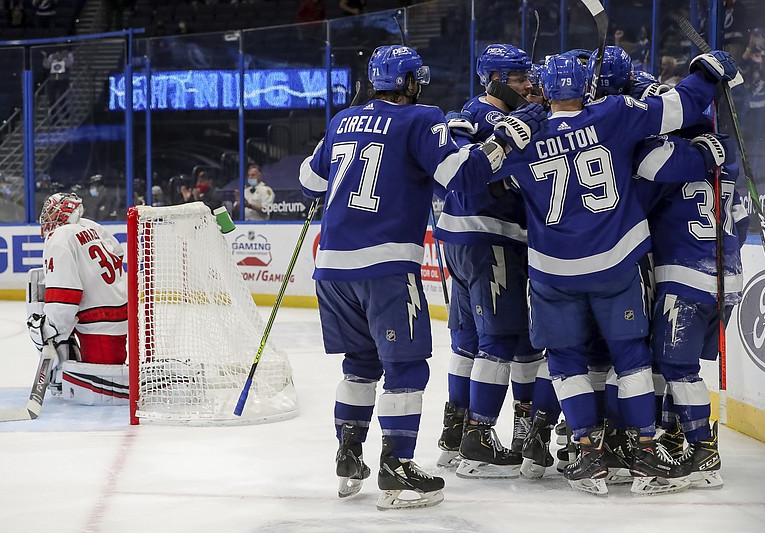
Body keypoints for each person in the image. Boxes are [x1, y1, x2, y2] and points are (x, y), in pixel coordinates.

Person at [298, 44, 541, 509]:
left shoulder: (341, 120)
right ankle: (396, 467)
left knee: (360, 364)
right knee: (405, 368)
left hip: (330, 268)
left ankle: (348, 454)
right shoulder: (422, 117)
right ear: (410, 82)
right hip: (385, 265)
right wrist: (504, 141)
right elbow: (463, 177)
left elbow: (311, 182)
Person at [499, 49, 738, 496]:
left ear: (544, 90)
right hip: (615, 263)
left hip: (553, 272)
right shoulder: (612, 114)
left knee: (566, 361)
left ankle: (583, 449)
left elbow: (469, 175)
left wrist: (500, 129)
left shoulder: (524, 137)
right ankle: (643, 446)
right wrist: (709, 74)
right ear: (587, 87)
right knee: (630, 358)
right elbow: (680, 106)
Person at [433, 43, 547, 479]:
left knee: (468, 343)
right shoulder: (498, 119)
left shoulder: (468, 112)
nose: (529, 85)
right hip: (492, 237)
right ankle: (479, 435)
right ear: (498, 79)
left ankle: (454, 435)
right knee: (500, 342)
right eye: (520, 79)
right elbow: (505, 163)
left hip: (459, 240)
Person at [633, 119, 748, 490]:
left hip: (685, 279)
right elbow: (742, 224)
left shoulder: (674, 162)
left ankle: (703, 449)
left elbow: (638, 212)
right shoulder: (731, 162)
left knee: (676, 367)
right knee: (680, 365)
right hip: (728, 279)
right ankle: (672, 435)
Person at [26, 192, 128, 405]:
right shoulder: (90, 226)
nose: (46, 218)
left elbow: (64, 297)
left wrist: (49, 330)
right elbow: (118, 254)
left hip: (100, 321)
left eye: (50, 212)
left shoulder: (59, 238)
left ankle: (60, 377)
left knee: (105, 394)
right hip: (119, 307)